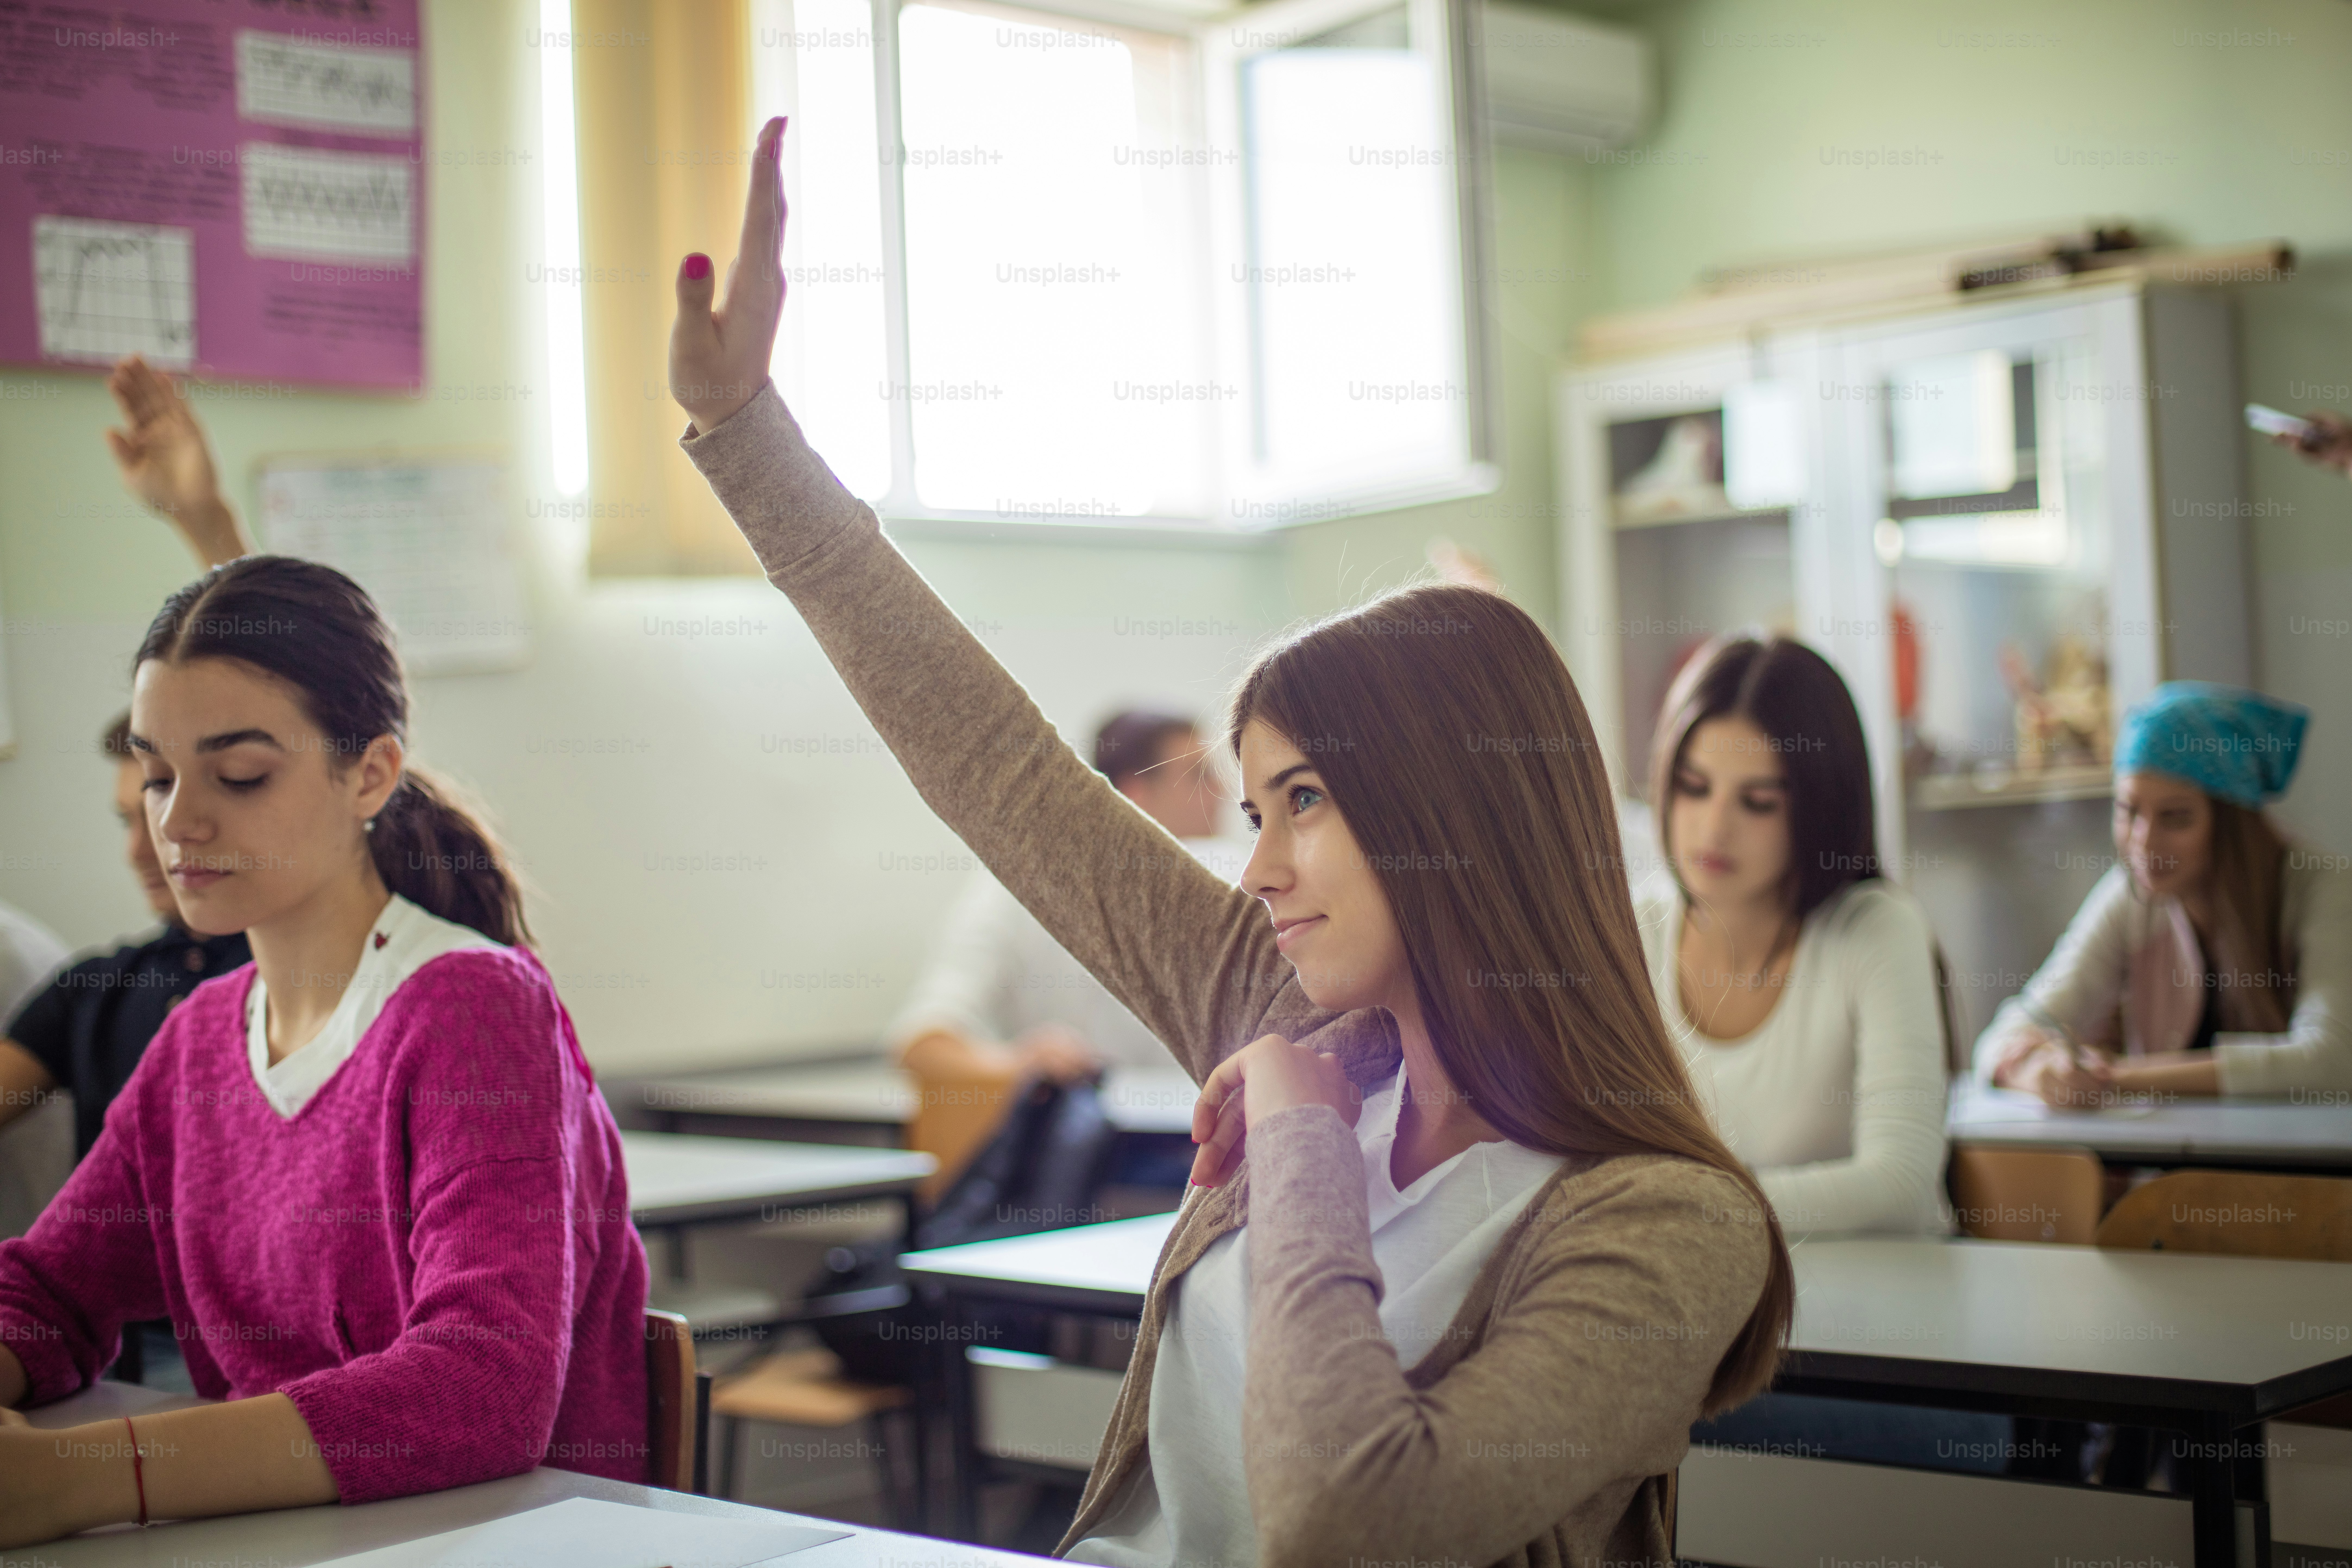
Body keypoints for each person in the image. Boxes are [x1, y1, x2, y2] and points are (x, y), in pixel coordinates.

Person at [666, 115, 1791, 1567]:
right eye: (1254, 810)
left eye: (1305, 800)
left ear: (1455, 812)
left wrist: (1300, 1120)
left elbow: (1350, 1516)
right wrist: (750, 432)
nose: (1254, 867)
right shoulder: (1278, 993)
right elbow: (997, 767)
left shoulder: (1666, 1222)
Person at [0, 557, 648, 1548]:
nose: (179, 823)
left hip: (509, 1543)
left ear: (371, 774)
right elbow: (49, 1289)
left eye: (241, 774)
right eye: (159, 775)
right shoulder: (198, 1043)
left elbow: (486, 1385)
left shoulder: (475, 1006)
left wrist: (83, 1478)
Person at [0, 357, 257, 1235]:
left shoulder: (303, 966)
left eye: (173, 795)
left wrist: (206, 521)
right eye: (136, 809)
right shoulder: (99, 988)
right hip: (130, 1365)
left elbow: (302, 699)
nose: (154, 838)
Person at [1636, 634, 1949, 1237]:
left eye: (1757, 802)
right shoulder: (1630, 935)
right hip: (1705, 1304)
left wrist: (1686, 1209)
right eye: (1693, 788)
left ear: (1818, 807)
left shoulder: (1875, 931)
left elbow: (1901, 1183)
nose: (1713, 828)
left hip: (1883, 1316)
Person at [1977, 681, 2350, 1102]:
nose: (2144, 842)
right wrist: (2038, 1070)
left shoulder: (2325, 890)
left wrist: (2113, 1079)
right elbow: (2004, 1035)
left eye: (2175, 817)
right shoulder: (2130, 894)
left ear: (2231, 824)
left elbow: (2332, 1062)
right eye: (2128, 811)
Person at [889, 709, 1240, 1088]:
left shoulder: (1237, 880)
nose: (1222, 793)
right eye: (1198, 776)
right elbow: (921, 1041)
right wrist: (1017, 1064)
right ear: (1134, 794)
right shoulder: (1013, 892)